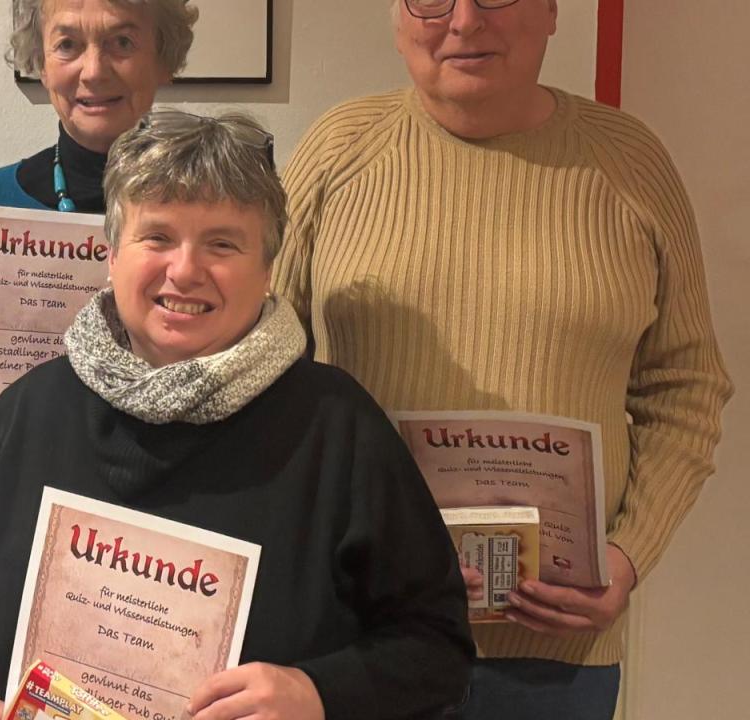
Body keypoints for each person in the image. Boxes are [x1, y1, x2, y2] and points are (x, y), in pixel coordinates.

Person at [0, 111, 474, 720]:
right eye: (157, 237)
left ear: (267, 268)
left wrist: (317, 694)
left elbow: (435, 644)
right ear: (111, 254)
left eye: (222, 244)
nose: (184, 270)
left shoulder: (338, 427)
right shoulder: (29, 410)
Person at [272, 1, 734, 717]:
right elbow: (263, 364)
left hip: (553, 656)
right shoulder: (339, 147)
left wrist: (629, 554)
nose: (464, 21)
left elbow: (686, 386)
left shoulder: (630, 160)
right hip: (362, 633)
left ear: (550, 11)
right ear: (396, 16)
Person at [0, 0, 198, 437]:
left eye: (122, 42)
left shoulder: (218, 214)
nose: (94, 71)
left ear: (164, 58)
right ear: (41, 63)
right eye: (68, 45)